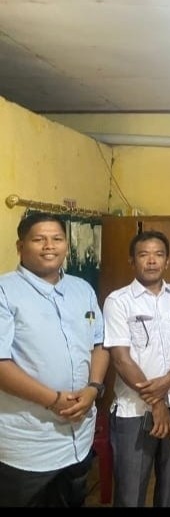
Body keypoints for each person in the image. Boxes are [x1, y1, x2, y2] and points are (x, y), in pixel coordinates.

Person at [0, 212, 108, 507]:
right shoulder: (5, 291)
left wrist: (94, 388)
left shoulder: (82, 289)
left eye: (57, 239)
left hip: (78, 438)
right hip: (28, 445)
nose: (49, 246)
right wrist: (54, 400)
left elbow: (99, 343)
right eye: (39, 239)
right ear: (20, 246)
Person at [102, 230, 170, 507]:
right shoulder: (118, 301)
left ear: (167, 261)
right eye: (144, 255)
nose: (152, 261)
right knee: (131, 493)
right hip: (135, 411)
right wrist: (156, 403)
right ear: (132, 261)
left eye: (158, 255)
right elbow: (121, 359)